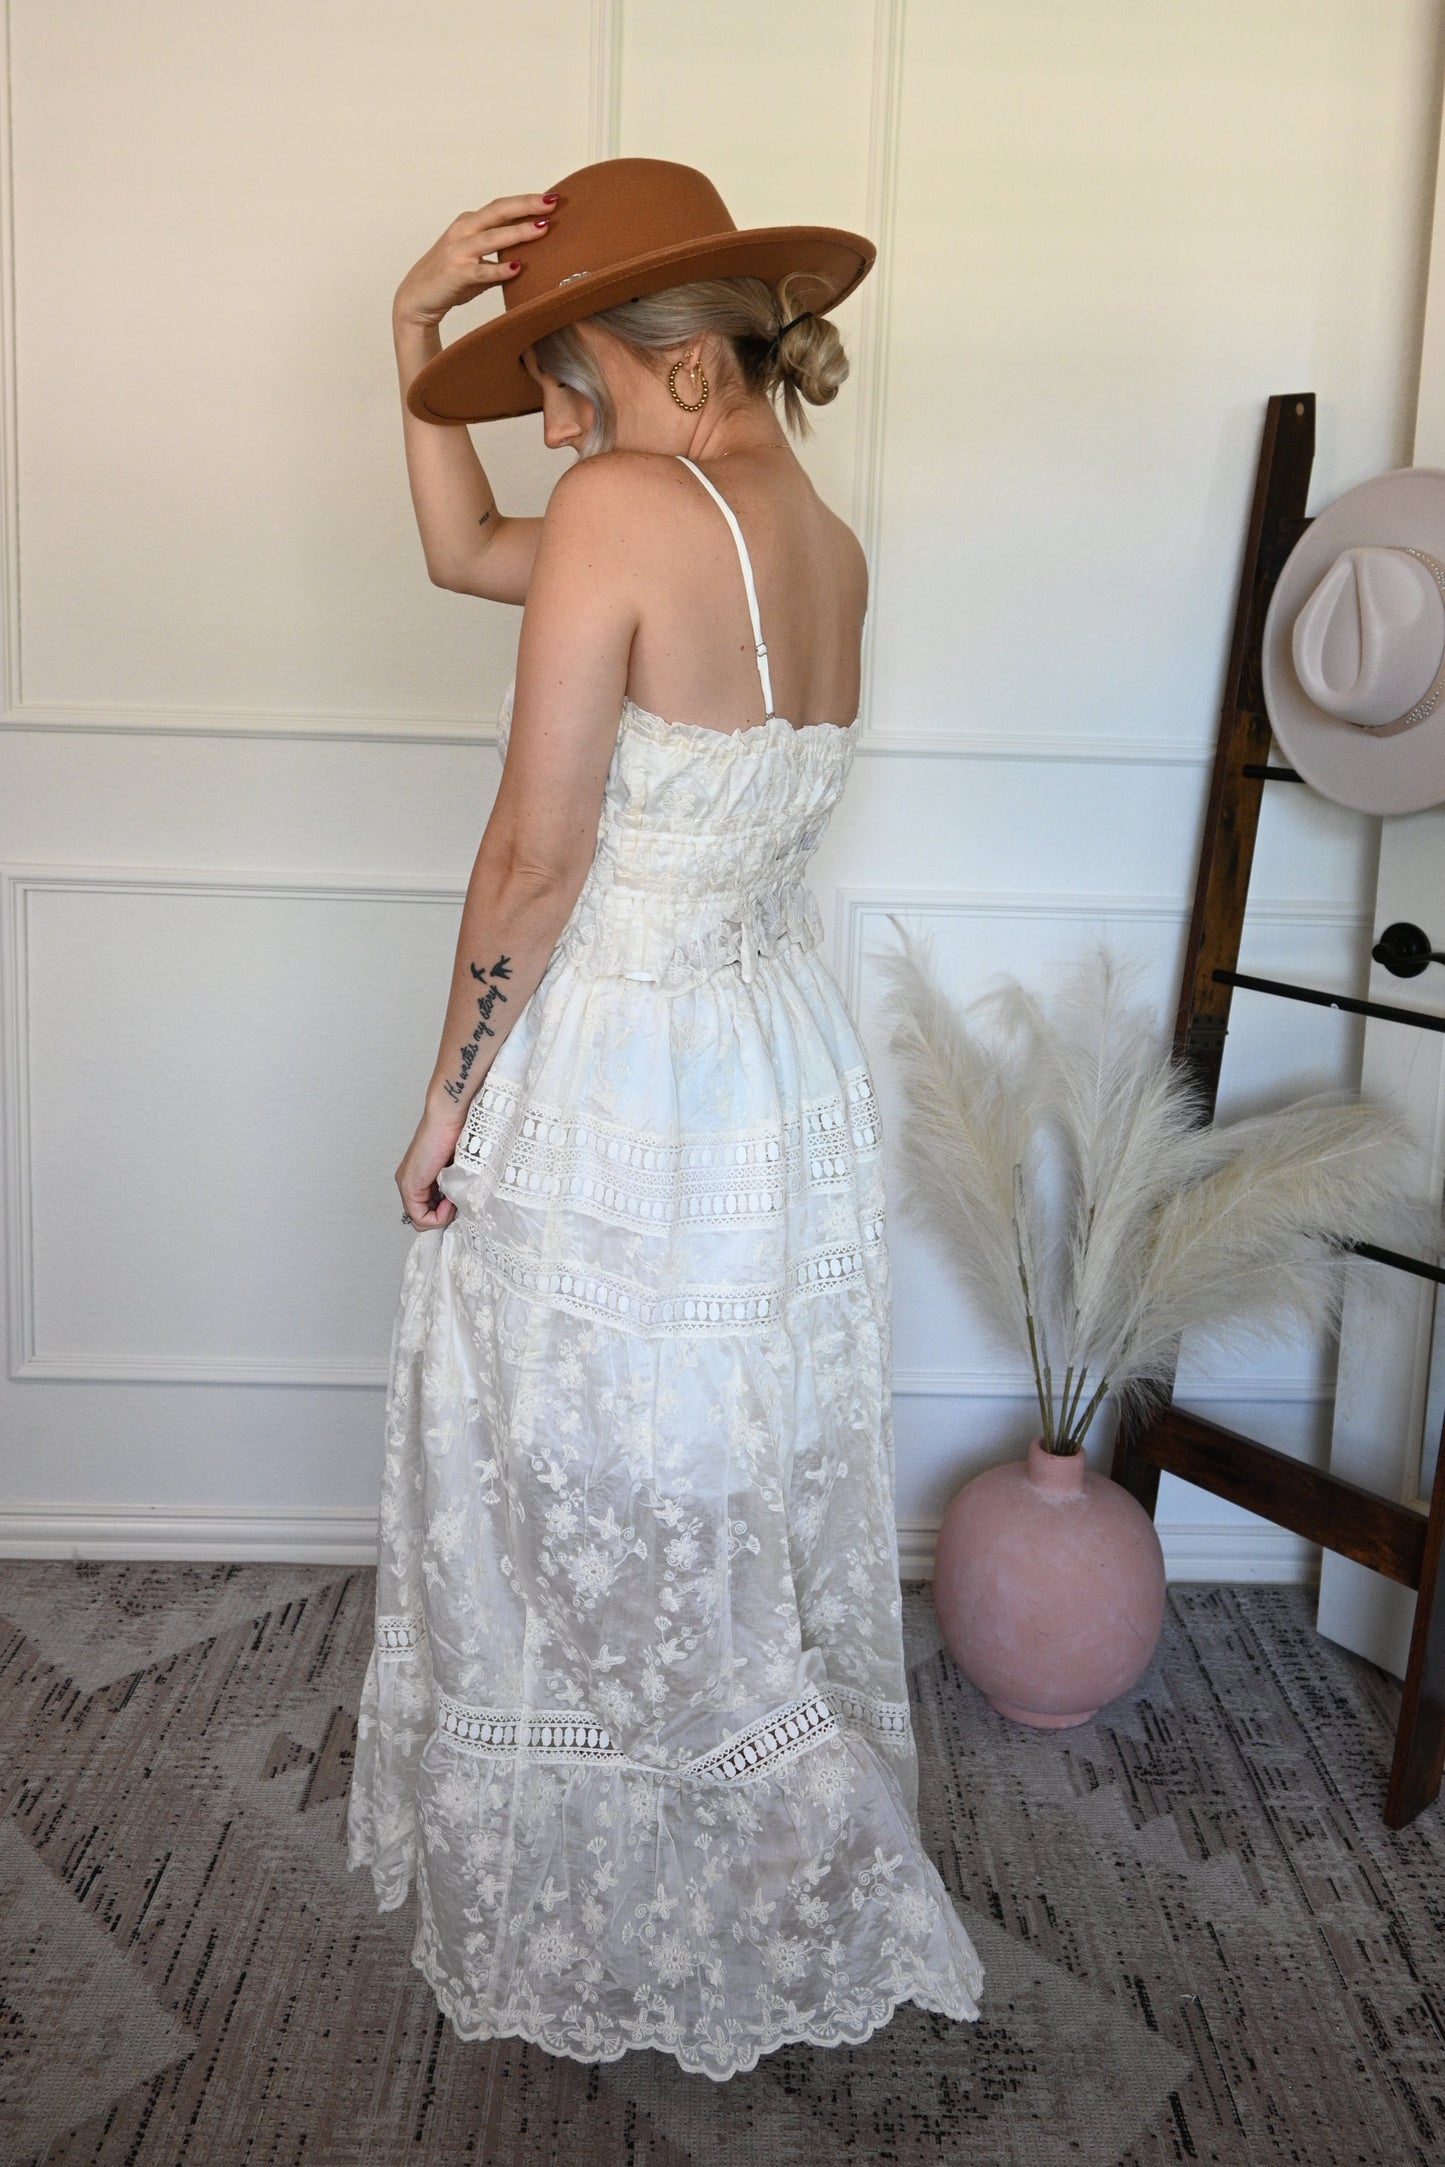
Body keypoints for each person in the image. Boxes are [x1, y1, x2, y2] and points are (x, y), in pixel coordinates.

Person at [346, 157, 985, 2081]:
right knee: (706, 1477)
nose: (546, 421)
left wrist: (445, 1098)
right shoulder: (818, 533)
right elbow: (466, 554)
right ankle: (712, 1877)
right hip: (773, 1062)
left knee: (571, 1480)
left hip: (620, 1057)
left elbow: (535, 855)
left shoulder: (630, 509)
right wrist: (407, 334)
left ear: (640, 345)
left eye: (562, 372)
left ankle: (780, 1853)